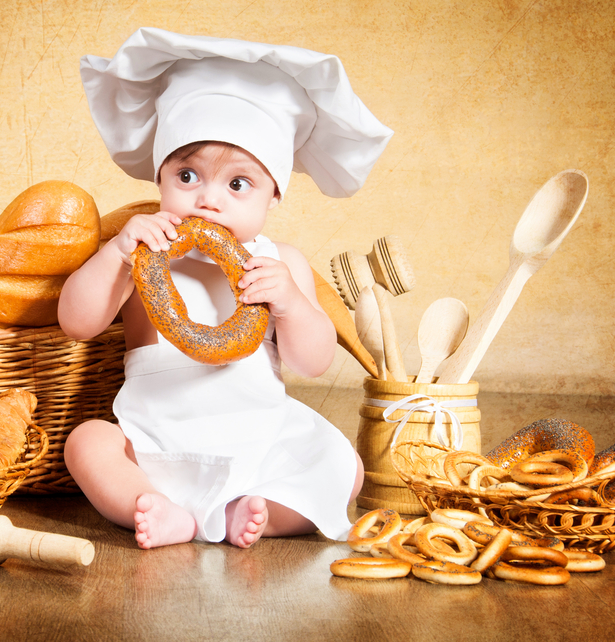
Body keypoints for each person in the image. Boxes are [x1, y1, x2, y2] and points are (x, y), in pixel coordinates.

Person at [58, 28, 393, 549]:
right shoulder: (143, 252)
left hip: (256, 443)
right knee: (86, 441)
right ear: (159, 177)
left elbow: (313, 362)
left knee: (344, 467)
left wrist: (291, 304)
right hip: (153, 445)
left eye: (238, 184)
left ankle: (253, 512)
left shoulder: (281, 264)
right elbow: (76, 323)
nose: (208, 200)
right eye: (188, 175)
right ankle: (154, 508)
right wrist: (115, 256)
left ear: (273, 197)